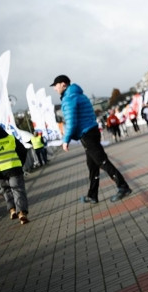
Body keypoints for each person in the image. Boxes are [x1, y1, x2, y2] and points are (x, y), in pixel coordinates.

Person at [52, 75, 132, 203]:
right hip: (92, 131)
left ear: (63, 84)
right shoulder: (79, 95)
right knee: (92, 166)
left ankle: (123, 187)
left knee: (102, 161)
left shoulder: (69, 98)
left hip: (87, 134)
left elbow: (71, 121)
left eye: (55, 86)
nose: (55, 89)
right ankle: (92, 195)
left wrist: (65, 140)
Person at [0, 122, 31, 224]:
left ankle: (12, 210)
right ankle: (22, 213)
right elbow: (23, 151)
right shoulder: (10, 138)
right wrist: (20, 163)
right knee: (18, 190)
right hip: (14, 169)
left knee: (6, 190)